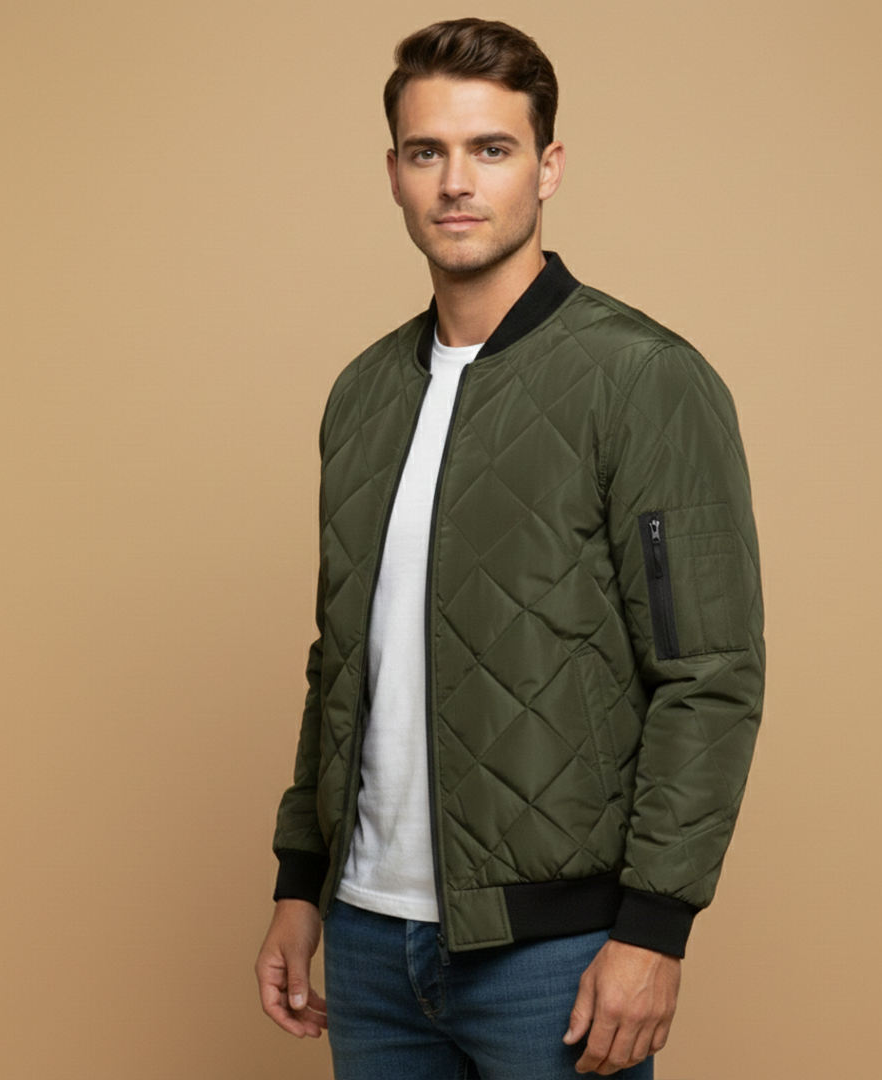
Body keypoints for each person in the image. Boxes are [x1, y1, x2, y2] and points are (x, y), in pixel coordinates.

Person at [255, 17, 764, 1079]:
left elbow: (708, 676)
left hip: (556, 956)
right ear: (393, 174)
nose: (457, 182)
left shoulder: (643, 379)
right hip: (365, 941)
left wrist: (655, 930)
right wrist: (300, 884)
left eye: (492, 148)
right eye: (427, 152)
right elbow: (338, 660)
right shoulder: (363, 394)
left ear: (549, 166)